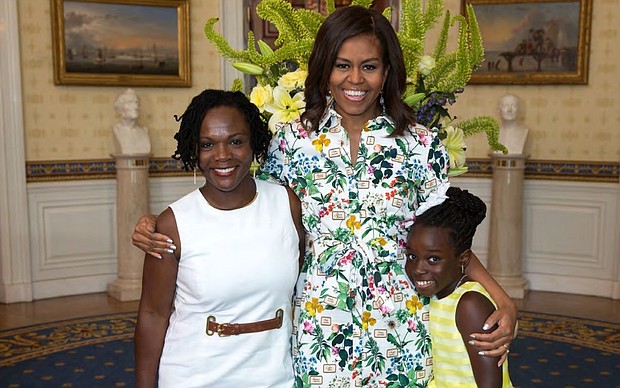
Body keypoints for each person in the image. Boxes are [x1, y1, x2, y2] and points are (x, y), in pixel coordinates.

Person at [132, 6, 518, 387]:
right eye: (341, 65)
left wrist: (502, 299)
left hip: (401, 331)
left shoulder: (419, 145)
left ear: (386, 73)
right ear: (324, 70)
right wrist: (158, 223)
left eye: (369, 66)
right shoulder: (292, 142)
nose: (355, 79)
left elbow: (448, 242)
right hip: (318, 334)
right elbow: (244, 208)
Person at [133, 89, 305, 388]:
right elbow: (152, 313)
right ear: (194, 151)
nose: (222, 156)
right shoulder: (174, 223)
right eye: (207, 144)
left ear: (254, 144)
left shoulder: (286, 205)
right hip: (194, 375)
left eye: (235, 142)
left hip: (274, 375)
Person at [405, 187, 513, 387]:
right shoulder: (438, 297)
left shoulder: (469, 304)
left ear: (463, 258)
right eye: (412, 256)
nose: (418, 269)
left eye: (433, 259)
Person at [112, 88, 151, 155]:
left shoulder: (144, 131)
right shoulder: (116, 130)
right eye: (130, 103)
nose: (135, 107)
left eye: (136, 103)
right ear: (120, 108)